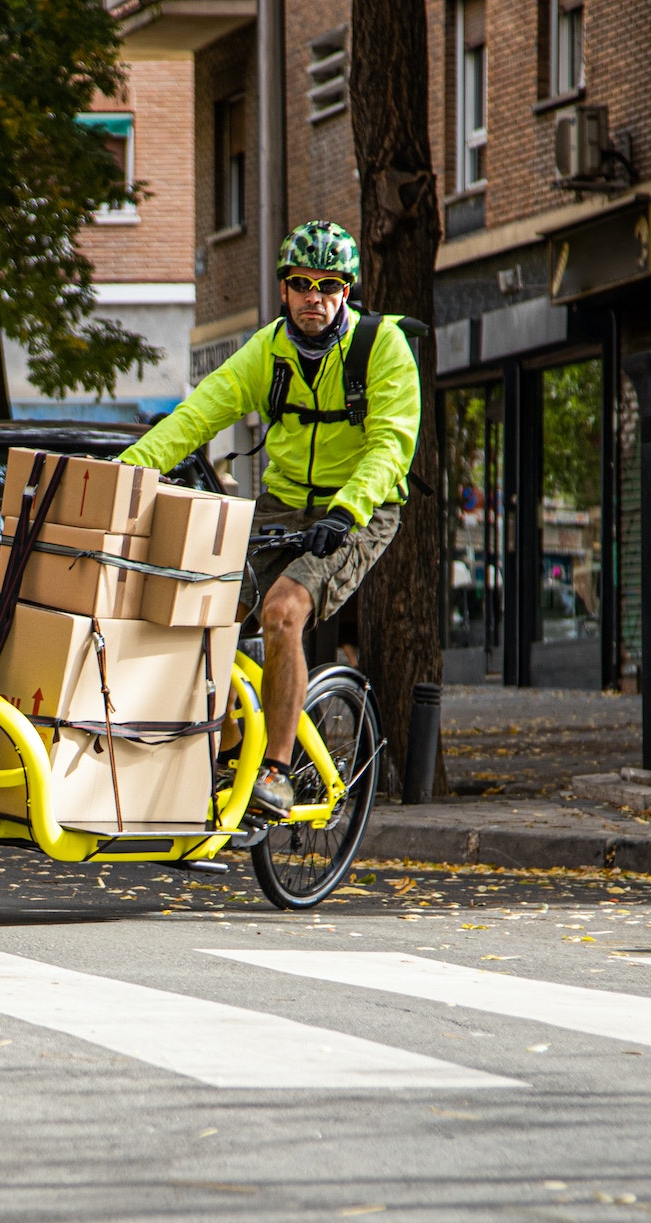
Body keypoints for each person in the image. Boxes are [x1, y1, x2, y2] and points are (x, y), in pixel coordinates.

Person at [120, 219, 420, 812]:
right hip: (284, 502)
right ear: (284, 289)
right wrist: (127, 469)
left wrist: (347, 509)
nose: (315, 296)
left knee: (284, 610)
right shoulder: (269, 351)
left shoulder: (381, 348)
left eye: (329, 285)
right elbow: (196, 415)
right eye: (302, 283)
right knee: (202, 602)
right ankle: (218, 747)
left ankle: (277, 771)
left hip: (361, 505)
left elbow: (391, 445)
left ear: (346, 292)